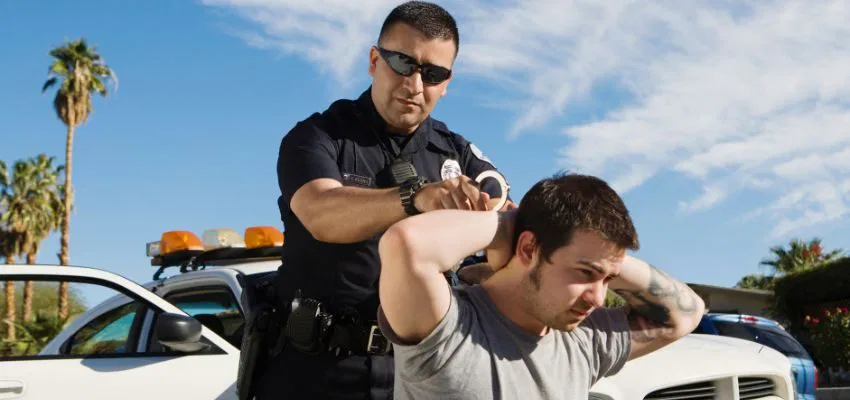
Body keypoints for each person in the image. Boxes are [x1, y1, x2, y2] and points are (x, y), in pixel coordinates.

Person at [255, 1, 512, 399]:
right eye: (402, 63)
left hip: (419, 372)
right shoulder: (317, 138)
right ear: (375, 60)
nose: (414, 85)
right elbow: (322, 214)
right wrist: (416, 199)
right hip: (316, 373)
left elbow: (507, 221)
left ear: (447, 83)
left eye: (433, 74)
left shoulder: (458, 154)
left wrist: (485, 274)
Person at [377, 172, 707, 399]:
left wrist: (607, 261)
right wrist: (509, 222)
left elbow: (686, 313)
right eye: (584, 273)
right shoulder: (449, 328)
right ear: (528, 249)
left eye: (608, 279)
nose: (598, 298)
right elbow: (405, 244)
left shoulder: (583, 342)